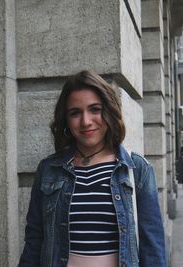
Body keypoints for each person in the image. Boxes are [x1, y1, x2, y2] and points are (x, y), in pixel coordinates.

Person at [18, 70, 166, 267]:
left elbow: (153, 249)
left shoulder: (136, 169)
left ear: (109, 111)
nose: (85, 121)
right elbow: (34, 242)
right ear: (66, 120)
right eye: (75, 113)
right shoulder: (49, 170)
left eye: (95, 109)